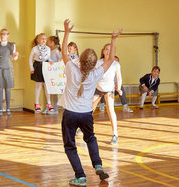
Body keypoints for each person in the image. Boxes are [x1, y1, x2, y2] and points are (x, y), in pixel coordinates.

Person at [60, 19, 122, 186]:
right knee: (90, 139)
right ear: (95, 63)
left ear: (80, 59)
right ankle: (98, 164)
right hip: (86, 114)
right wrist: (113, 39)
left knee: (70, 146)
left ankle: (80, 176)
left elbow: (63, 53)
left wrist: (66, 32)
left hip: (70, 114)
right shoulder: (95, 74)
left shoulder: (72, 68)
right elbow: (109, 60)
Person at [92, 44, 123, 145]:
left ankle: (115, 134)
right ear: (103, 51)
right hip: (98, 88)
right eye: (106, 49)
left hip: (109, 89)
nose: (108, 51)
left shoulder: (116, 64)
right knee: (90, 108)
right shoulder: (98, 62)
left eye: (110, 50)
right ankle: (83, 128)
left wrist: (118, 87)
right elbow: (93, 74)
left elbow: (119, 78)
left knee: (110, 109)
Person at [0, 28, 18, 117]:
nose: (3, 35)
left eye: (5, 34)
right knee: (0, 89)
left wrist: (16, 55)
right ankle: (0, 109)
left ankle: (8, 109)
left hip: (8, 68)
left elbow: (14, 57)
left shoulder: (12, 45)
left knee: (8, 88)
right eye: (2, 34)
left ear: (8, 35)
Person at [29, 33, 54, 113]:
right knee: (38, 85)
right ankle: (36, 103)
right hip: (38, 66)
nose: (44, 40)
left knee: (47, 86)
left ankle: (49, 103)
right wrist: (31, 68)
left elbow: (48, 57)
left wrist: (50, 60)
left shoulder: (48, 48)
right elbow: (30, 59)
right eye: (42, 38)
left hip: (46, 66)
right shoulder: (34, 49)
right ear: (38, 40)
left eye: (45, 39)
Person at [45, 35, 62, 114]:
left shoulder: (56, 51)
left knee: (54, 91)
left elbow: (60, 60)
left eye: (48, 41)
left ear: (52, 43)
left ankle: (55, 109)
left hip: (54, 73)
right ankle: (48, 107)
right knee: (48, 90)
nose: (46, 42)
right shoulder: (49, 50)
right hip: (49, 73)